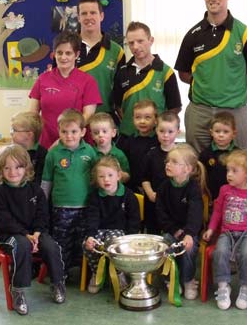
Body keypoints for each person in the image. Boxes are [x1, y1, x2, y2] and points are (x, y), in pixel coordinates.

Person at [174, 0, 247, 152]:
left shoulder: (245, 34)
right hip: (199, 112)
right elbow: (184, 74)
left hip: (235, 111)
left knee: (241, 164)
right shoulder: (193, 35)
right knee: (196, 166)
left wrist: (230, 90)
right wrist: (209, 87)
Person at [0, 144, 65, 315]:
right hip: (10, 235)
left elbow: (42, 214)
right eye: (7, 168)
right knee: (22, 245)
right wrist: (26, 235)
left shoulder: (35, 190)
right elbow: (5, 222)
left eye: (18, 167)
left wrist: (37, 232)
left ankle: (57, 283)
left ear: (26, 168)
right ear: (1, 170)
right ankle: (18, 290)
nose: (13, 172)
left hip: (35, 233)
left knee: (51, 246)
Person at [202, 150, 247, 310]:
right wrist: (211, 229)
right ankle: (223, 286)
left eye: (234, 171)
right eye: (228, 170)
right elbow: (217, 212)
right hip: (226, 233)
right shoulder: (224, 190)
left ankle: (246, 288)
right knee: (220, 252)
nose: (229, 174)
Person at [41, 109, 97, 272]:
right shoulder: (53, 154)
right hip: (61, 208)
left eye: (74, 131)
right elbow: (46, 181)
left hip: (85, 207)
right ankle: (60, 275)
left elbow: (95, 179)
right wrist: (42, 205)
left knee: (82, 243)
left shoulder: (89, 152)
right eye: (64, 131)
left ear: (83, 132)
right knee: (61, 244)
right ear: (58, 131)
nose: (69, 136)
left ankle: (82, 275)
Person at [29, 30, 102, 149]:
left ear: (77, 55)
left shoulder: (88, 81)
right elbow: (33, 114)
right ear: (54, 54)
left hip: (76, 145)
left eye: (68, 53)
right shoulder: (42, 79)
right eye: (59, 53)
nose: (63, 57)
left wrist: (66, 137)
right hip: (47, 145)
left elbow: (87, 115)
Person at [156, 144, 208, 300]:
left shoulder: (193, 188)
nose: (168, 164)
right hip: (171, 230)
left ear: (187, 169)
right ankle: (170, 279)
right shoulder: (164, 187)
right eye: (167, 161)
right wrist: (172, 229)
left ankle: (188, 280)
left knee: (189, 249)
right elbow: (160, 212)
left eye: (173, 162)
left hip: (189, 232)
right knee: (164, 246)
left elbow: (195, 214)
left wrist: (189, 234)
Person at [83, 156, 140, 294]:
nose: (106, 180)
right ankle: (97, 273)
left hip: (120, 232)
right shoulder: (94, 196)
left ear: (118, 176)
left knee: (115, 243)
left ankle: (119, 274)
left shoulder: (128, 195)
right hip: (99, 230)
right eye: (101, 176)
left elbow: (134, 219)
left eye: (110, 175)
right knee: (89, 244)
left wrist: (130, 238)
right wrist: (90, 236)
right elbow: (92, 218)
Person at [113, 21, 182, 136]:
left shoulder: (166, 72)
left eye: (140, 41)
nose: (135, 46)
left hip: (156, 137)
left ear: (151, 40)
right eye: (131, 43)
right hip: (128, 136)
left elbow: (174, 108)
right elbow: (118, 107)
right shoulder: (122, 72)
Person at [76, 0, 126, 122]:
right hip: (73, 121)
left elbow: (120, 91)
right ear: (78, 18)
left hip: (104, 122)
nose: (88, 17)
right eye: (84, 13)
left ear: (101, 16)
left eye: (93, 12)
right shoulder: (66, 48)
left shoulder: (116, 51)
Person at [142, 111, 180, 234]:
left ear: (177, 132)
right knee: (154, 234)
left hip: (174, 202)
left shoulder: (182, 154)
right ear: (156, 131)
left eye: (170, 132)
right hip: (154, 202)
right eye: (162, 131)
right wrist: (150, 193)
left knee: (171, 235)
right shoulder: (151, 154)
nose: (165, 135)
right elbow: (145, 178)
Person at [116, 99, 160, 192]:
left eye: (147, 117)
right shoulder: (129, 141)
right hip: (133, 187)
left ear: (156, 120)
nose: (142, 121)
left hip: (153, 188)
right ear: (133, 119)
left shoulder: (159, 141)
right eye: (138, 117)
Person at [199, 111, 238, 200]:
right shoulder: (205, 154)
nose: (221, 135)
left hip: (233, 197)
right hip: (211, 196)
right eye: (217, 131)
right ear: (211, 132)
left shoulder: (238, 154)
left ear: (234, 134)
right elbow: (201, 176)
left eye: (226, 132)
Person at [88, 112, 130, 183]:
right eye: (96, 132)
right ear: (92, 136)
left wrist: (121, 175)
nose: (100, 135)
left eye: (104, 131)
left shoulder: (119, 154)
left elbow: (127, 176)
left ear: (113, 133)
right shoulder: (90, 153)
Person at [10, 111, 47, 186]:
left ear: (29, 135)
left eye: (14, 130)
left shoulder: (42, 154)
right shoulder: (13, 151)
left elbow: (40, 180)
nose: (11, 133)